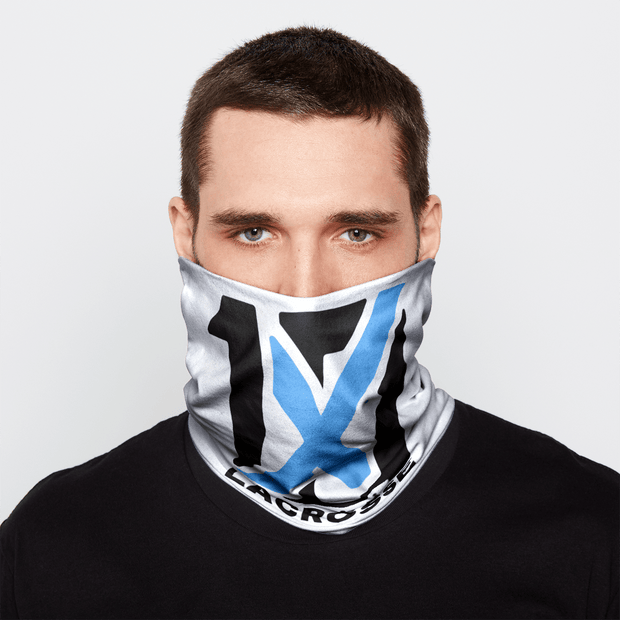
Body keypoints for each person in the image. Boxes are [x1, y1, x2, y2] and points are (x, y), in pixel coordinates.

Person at [1, 26, 618, 619]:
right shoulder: (51, 547)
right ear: (185, 235)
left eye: (356, 233)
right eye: (253, 232)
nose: (305, 290)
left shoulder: (593, 531)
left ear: (426, 231)